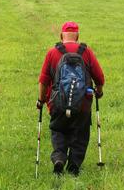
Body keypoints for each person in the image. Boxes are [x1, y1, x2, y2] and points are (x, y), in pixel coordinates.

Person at [37, 21, 105, 176]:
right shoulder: (86, 52)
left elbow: (43, 81)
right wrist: (99, 91)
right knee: (80, 134)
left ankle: (59, 157)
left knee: (59, 130)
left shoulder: (52, 53)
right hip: (82, 105)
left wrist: (41, 100)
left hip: (58, 104)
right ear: (77, 36)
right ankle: (74, 166)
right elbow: (99, 77)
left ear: (61, 36)